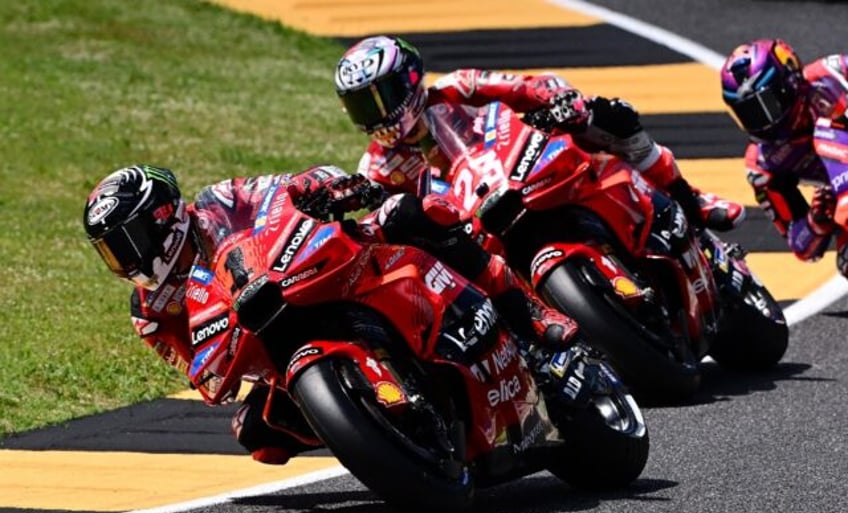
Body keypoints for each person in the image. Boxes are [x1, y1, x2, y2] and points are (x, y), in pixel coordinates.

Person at [83, 163, 580, 465]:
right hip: (273, 346)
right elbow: (209, 378)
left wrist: (332, 189)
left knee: (408, 213)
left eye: (128, 243)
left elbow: (289, 187)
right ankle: (376, 426)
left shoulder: (218, 202)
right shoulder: (149, 310)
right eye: (110, 252)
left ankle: (529, 312)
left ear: (163, 219)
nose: (124, 262)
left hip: (318, 270)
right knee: (256, 435)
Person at [334, 35, 745, 232]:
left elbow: (525, 86)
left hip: (530, 159)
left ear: (408, 79)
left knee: (609, 115)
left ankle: (691, 201)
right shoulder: (377, 163)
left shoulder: (459, 87)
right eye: (362, 106)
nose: (378, 113)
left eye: (380, 97)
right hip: (479, 220)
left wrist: (560, 99)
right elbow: (381, 213)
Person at [720, 38, 848, 274]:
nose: (763, 122)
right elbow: (802, 248)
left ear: (788, 82)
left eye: (767, 105)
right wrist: (816, 222)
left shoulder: (834, 73)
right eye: (749, 113)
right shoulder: (762, 164)